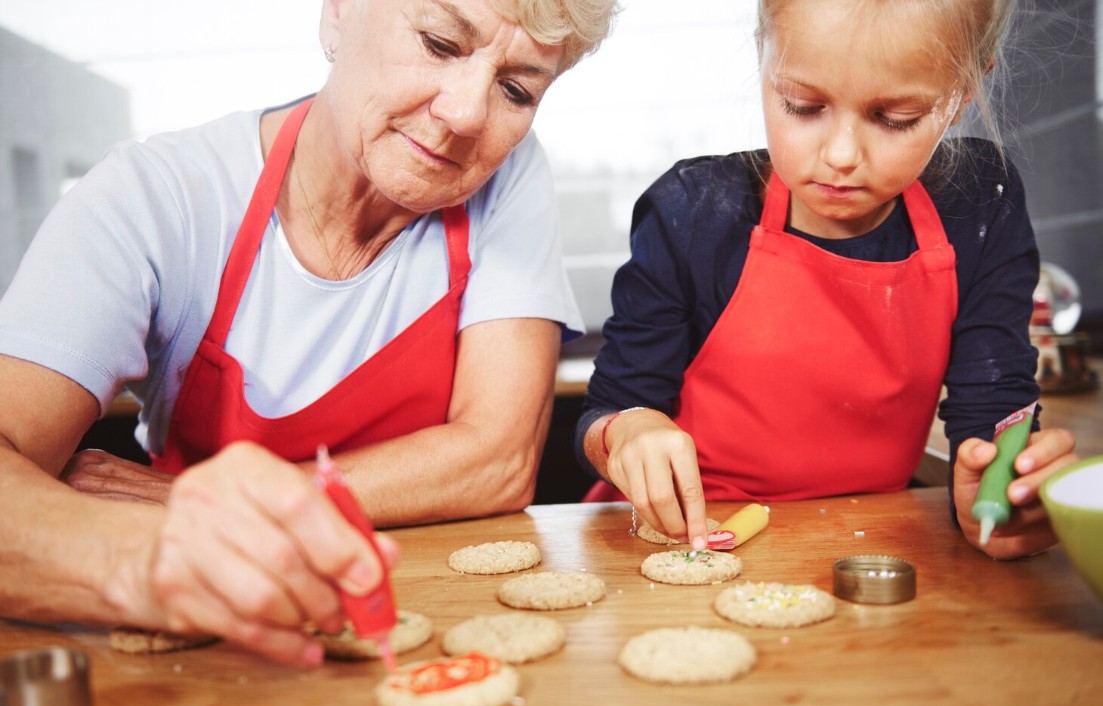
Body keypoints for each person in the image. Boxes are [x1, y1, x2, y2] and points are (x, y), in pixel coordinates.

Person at [0, 0, 618, 665]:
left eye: (516, 90)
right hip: (211, 637)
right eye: (440, 44)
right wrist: (151, 551)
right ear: (338, 13)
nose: (467, 114)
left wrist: (197, 504)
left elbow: (496, 461)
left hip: (434, 624)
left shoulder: (506, 176)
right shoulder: (156, 197)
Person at [576, 0, 1078, 561]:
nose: (841, 155)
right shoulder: (694, 211)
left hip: (868, 539)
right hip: (681, 535)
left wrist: (999, 490)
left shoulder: (980, 203)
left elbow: (994, 414)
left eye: (896, 118)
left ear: (962, 94)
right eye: (803, 105)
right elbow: (607, 412)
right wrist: (628, 430)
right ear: (763, 58)